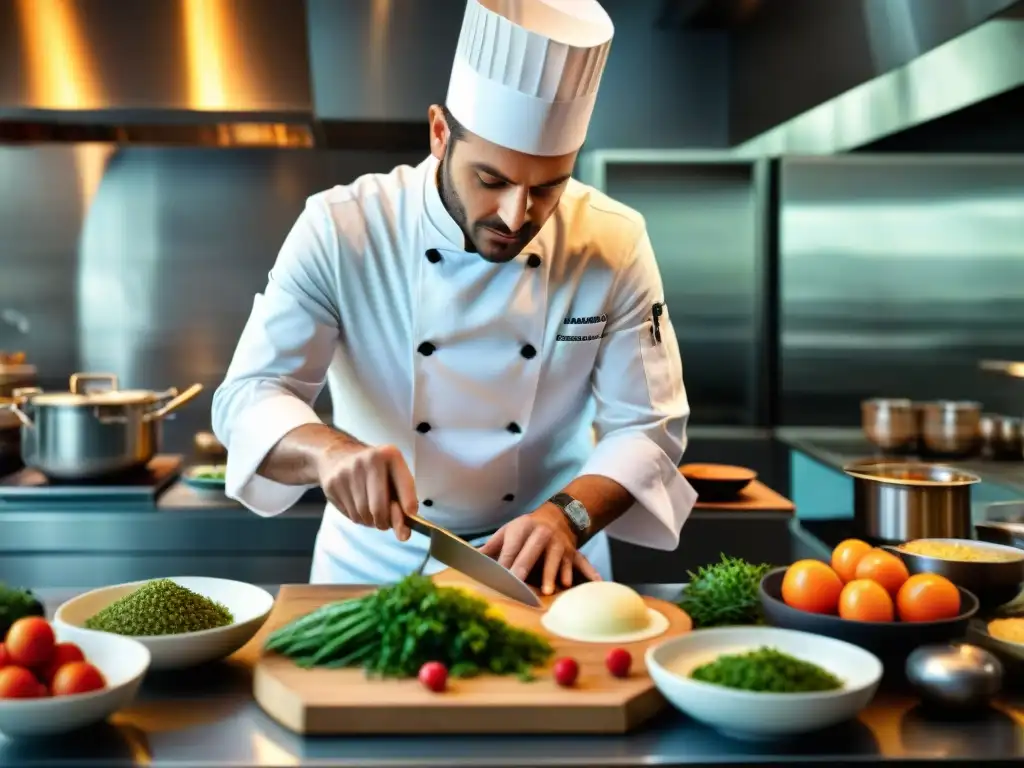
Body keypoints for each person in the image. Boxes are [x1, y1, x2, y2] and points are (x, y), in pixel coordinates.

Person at [211, 0, 697, 595]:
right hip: (375, 565)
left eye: (548, 187)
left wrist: (565, 517)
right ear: (440, 134)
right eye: (491, 180)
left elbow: (648, 427)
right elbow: (249, 395)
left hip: (546, 565)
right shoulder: (343, 229)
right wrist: (328, 454)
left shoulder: (613, 240)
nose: (517, 216)